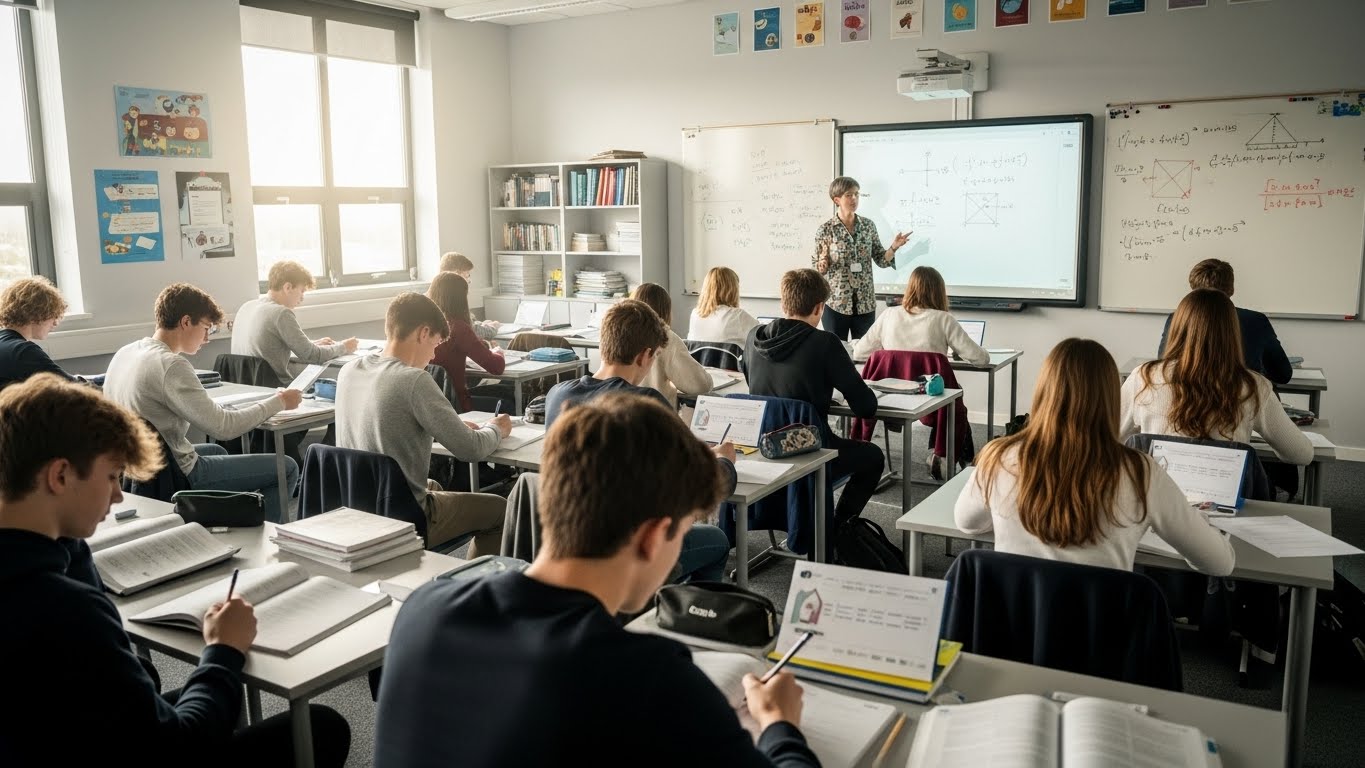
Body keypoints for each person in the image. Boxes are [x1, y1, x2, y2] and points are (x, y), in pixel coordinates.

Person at [374, 393, 817, 768]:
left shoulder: (423, 610)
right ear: (651, 537)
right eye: (682, 533)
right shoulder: (650, 677)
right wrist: (780, 724)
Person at [0, 374, 350, 765]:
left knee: (209, 696)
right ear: (60, 475)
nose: (117, 496)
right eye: (113, 476)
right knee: (323, 726)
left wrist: (66, 535)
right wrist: (223, 649)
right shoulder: (67, 610)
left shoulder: (37, 571)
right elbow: (180, 747)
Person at [955, 338, 1235, 574]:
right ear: (1111, 398)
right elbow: (1220, 564)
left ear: (1043, 392)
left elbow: (967, 523)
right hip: (1100, 635)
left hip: (1016, 631)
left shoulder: (1000, 457)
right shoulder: (1141, 473)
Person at [545, 299, 735, 583]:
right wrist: (723, 462)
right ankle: (685, 615)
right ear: (646, 355)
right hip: (628, 550)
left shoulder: (558, 395)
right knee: (717, 541)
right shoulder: (646, 404)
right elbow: (699, 487)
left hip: (569, 541)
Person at [105, 284, 301, 521]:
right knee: (286, 468)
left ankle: (221, 523)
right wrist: (279, 402)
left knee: (216, 451)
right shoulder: (171, 365)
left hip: (134, 468)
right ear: (186, 322)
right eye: (206, 328)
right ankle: (262, 542)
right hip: (171, 471)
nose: (207, 338)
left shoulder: (127, 352)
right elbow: (223, 428)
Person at [336, 292, 512, 554]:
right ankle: (467, 590)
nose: (432, 356)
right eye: (435, 344)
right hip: (401, 513)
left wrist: (453, 428)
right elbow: (471, 450)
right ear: (424, 333)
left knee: (435, 487)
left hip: (356, 503)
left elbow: (392, 423)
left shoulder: (348, 371)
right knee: (501, 510)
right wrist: (496, 429)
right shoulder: (414, 381)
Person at [745, 268, 884, 526]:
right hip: (810, 450)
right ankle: (839, 526)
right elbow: (865, 407)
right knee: (873, 456)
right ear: (820, 308)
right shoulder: (825, 343)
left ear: (783, 302)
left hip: (761, 448)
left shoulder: (753, 338)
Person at [1125, 288, 1313, 466]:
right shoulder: (1253, 386)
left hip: (1156, 496)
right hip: (1224, 500)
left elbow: (1107, 436)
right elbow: (1302, 455)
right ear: (1232, 332)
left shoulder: (1143, 378)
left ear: (1177, 327)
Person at [1157, 258, 1292, 385]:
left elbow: (1164, 365)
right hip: (1243, 401)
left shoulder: (1176, 319)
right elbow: (1283, 374)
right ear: (1231, 289)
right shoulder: (1256, 320)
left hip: (1185, 400)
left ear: (1193, 290)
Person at [812, 176, 911, 340]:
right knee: (836, 353)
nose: (854, 199)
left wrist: (894, 247)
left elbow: (881, 259)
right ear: (837, 199)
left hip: (865, 303)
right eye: (849, 195)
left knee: (865, 354)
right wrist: (823, 261)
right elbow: (818, 269)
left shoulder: (868, 226)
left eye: (857, 194)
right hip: (837, 303)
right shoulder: (825, 230)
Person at [232, 260, 358, 384]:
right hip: (275, 388)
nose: (302, 298)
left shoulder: (246, 307)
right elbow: (312, 356)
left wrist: (310, 345)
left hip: (244, 386)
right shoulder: (280, 313)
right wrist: (344, 347)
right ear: (288, 287)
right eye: (302, 291)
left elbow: (267, 348)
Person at [852, 266, 988, 365]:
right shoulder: (944, 319)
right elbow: (981, 359)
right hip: (933, 398)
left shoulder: (888, 315)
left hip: (893, 393)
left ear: (909, 288)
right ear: (940, 291)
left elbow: (859, 353)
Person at [427, 272, 507, 412]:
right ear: (460, 299)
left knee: (501, 390)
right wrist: (499, 352)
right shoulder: (457, 327)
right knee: (509, 400)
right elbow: (496, 367)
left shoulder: (425, 325)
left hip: (433, 402)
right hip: (456, 403)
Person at [631, 282, 712, 408]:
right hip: (658, 417)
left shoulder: (621, 335)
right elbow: (701, 386)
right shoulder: (667, 338)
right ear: (666, 310)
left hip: (622, 416)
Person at [0, 276, 81, 389]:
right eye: (53, 315)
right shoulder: (23, 352)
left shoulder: (5, 343)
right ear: (35, 314)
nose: (55, 323)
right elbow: (72, 387)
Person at [687, 266, 760, 347]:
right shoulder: (737, 315)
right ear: (732, 290)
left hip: (697, 360)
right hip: (729, 360)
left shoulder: (695, 314)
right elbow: (763, 335)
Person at [439, 250, 500, 341]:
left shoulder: (439, 293)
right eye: (467, 275)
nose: (469, 281)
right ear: (456, 275)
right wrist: (493, 328)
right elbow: (470, 331)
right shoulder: (451, 300)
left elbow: (469, 323)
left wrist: (481, 324)